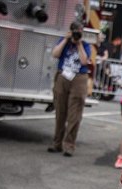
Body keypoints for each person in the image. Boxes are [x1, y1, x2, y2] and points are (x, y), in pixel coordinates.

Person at [47, 20, 91, 157]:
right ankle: (57, 143)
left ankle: (69, 145)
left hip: (79, 77)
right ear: (70, 31)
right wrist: (66, 40)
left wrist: (79, 44)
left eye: (80, 31)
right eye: (75, 31)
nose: (78, 33)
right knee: (60, 111)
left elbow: (84, 61)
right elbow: (55, 54)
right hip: (63, 76)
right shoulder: (64, 41)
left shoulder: (85, 44)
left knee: (74, 114)